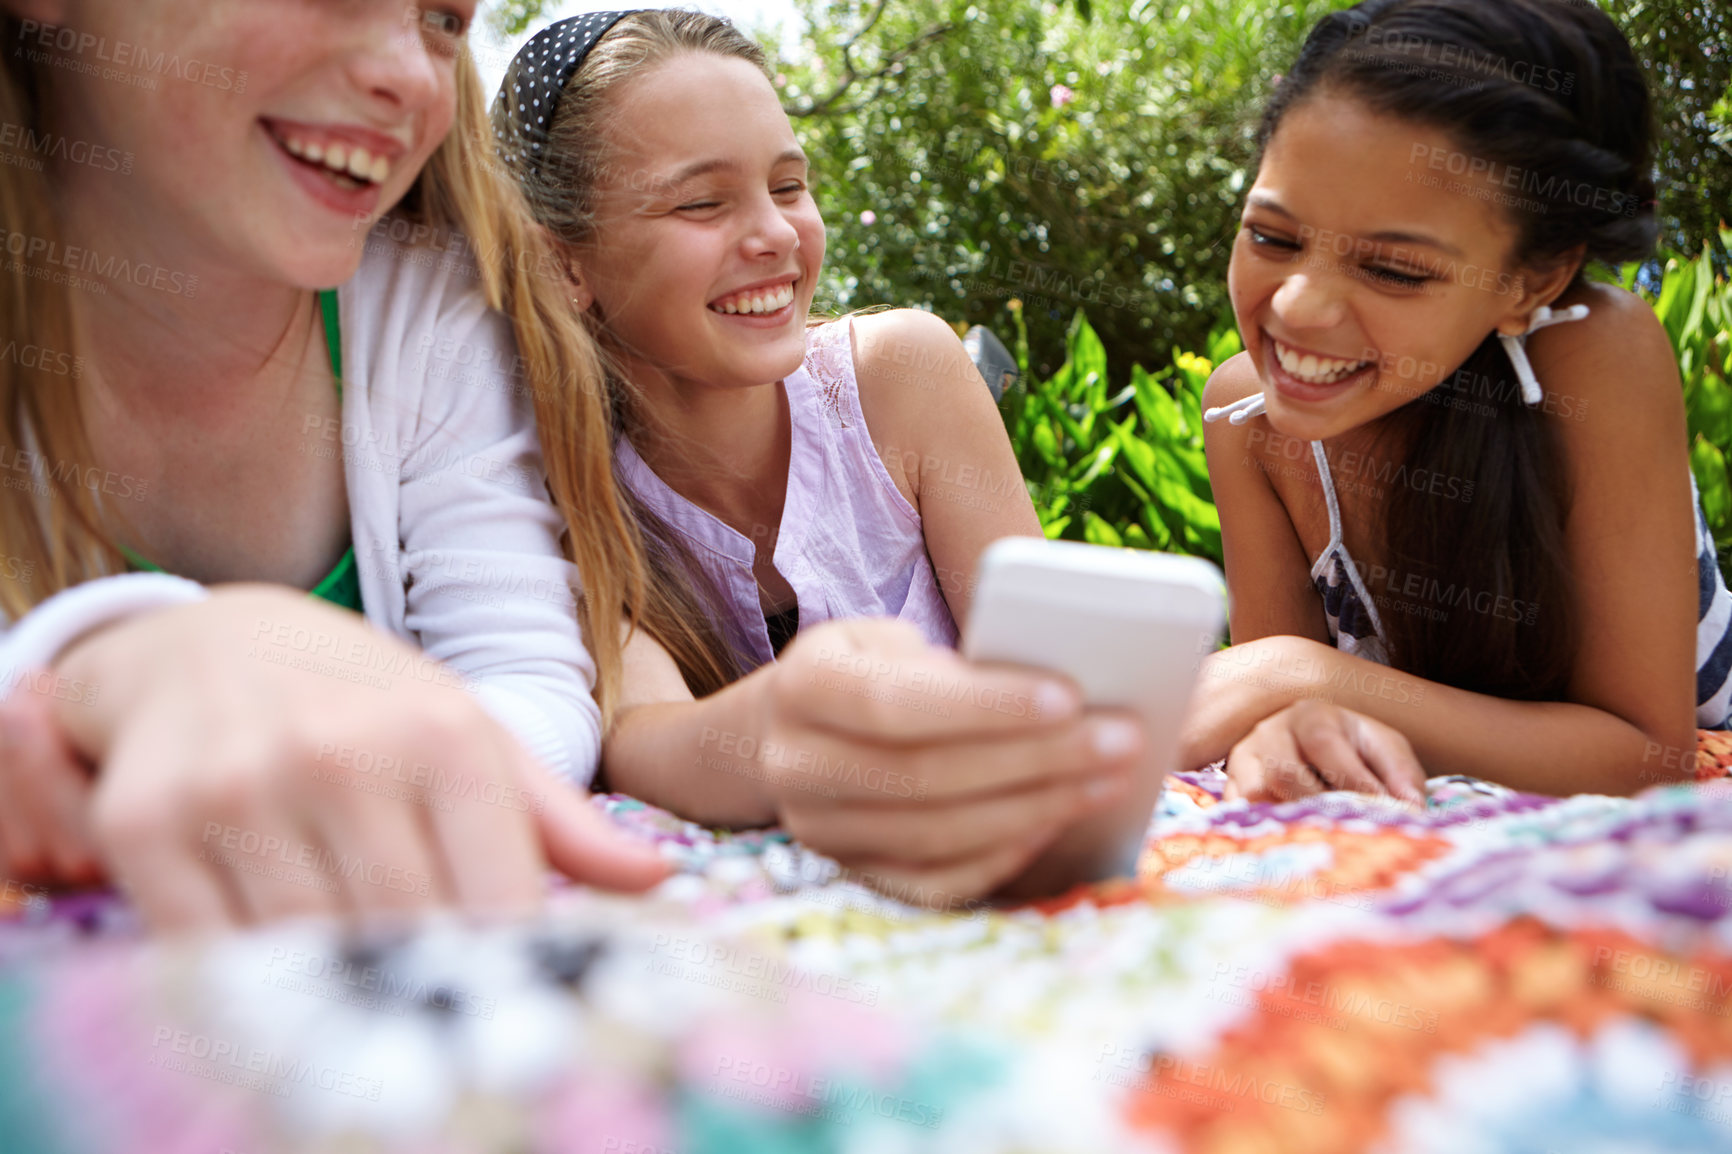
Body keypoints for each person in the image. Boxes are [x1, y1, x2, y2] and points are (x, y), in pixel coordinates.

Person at [0, 0, 667, 929]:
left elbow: (532, 682)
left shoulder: (425, 310)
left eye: (443, 17)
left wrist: (373, 776)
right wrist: (85, 668)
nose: (412, 75)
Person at [492, 9, 1148, 902]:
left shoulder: (901, 378)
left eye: (789, 186)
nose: (775, 234)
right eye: (701, 202)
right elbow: (643, 737)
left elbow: (1067, 681)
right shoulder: (563, 489)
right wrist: (796, 721)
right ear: (565, 265)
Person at [1180, 0, 1732, 802]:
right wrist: (1290, 725)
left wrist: (1294, 677)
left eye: (1396, 271)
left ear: (1529, 282)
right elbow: (1291, 724)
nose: (1299, 308)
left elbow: (1643, 756)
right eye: (1273, 237)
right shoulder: (1246, 415)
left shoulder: (1593, 353)